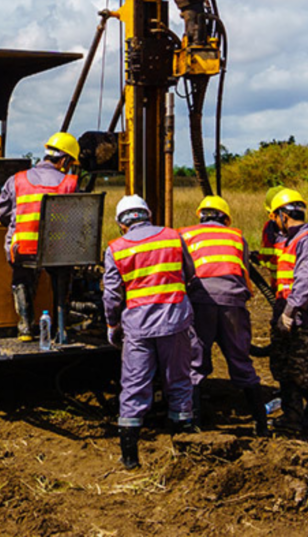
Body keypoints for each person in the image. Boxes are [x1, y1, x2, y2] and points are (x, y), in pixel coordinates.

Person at [104, 195, 197, 470]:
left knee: (134, 387)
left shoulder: (116, 248)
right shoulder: (173, 237)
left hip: (138, 327)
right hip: (175, 320)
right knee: (179, 381)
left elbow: (112, 296)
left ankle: (130, 458)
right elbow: (190, 272)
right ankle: (184, 454)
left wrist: (112, 324)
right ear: (148, 214)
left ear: (121, 223)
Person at [179, 196, 267, 435]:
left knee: (195, 364)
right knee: (241, 362)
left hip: (201, 303)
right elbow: (244, 272)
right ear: (226, 219)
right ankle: (261, 424)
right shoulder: (237, 236)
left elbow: (181, 271)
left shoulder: (185, 235)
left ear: (200, 215)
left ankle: (194, 425)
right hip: (233, 304)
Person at [251, 186, 308, 417]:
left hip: (304, 317)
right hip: (286, 312)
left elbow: (304, 282)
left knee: (299, 370)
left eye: (275, 217)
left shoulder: (307, 240)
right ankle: (292, 418)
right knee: (281, 367)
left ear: (283, 216)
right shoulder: (291, 240)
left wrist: (289, 312)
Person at [0, 132, 79, 341]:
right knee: (62, 274)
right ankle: (61, 327)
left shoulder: (17, 180)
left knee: (21, 277)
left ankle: (25, 326)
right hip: (58, 250)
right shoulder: (70, 183)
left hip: (23, 249)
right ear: (64, 160)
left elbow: (1, 213)